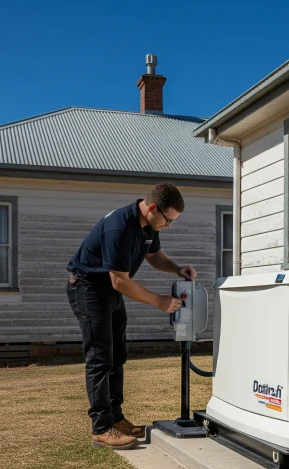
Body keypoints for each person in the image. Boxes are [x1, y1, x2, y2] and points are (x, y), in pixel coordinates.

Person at [66, 183, 196, 450]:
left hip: (109, 291)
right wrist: (159, 301)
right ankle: (101, 429)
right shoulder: (119, 227)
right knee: (100, 358)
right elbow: (120, 282)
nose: (169, 226)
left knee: (118, 355)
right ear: (152, 208)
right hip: (88, 288)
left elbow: (154, 256)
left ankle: (116, 418)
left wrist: (177, 268)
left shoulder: (150, 225)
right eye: (168, 220)